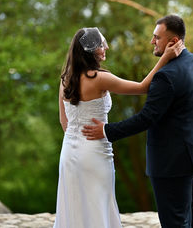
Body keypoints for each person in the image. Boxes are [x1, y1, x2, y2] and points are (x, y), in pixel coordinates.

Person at [82, 15, 193, 228]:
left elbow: (146, 118)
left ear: (172, 42)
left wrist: (107, 131)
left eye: (157, 37)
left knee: (174, 223)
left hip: (173, 163)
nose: (152, 41)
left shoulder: (166, 76)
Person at [54, 27, 184, 228]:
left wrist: (76, 143)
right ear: (89, 50)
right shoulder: (99, 78)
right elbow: (143, 87)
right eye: (100, 45)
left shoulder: (65, 80)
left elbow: (65, 122)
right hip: (94, 150)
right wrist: (165, 57)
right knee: (99, 203)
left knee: (75, 207)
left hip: (69, 152)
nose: (105, 47)